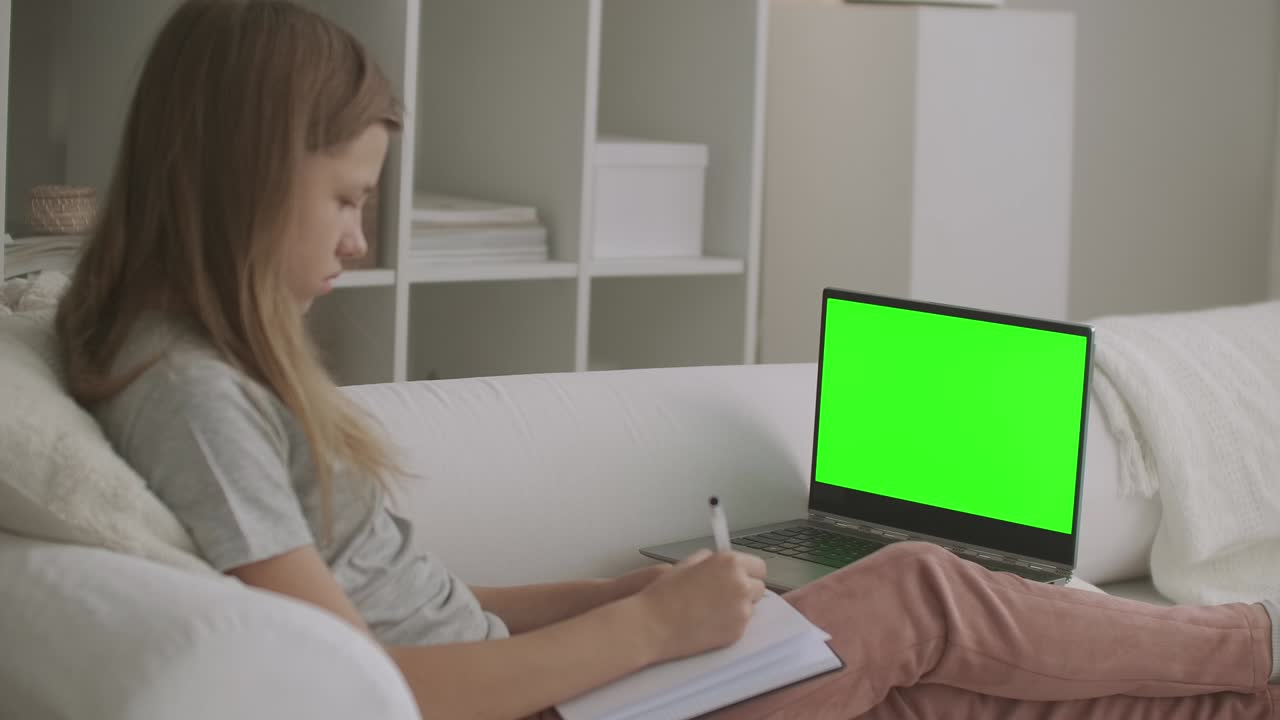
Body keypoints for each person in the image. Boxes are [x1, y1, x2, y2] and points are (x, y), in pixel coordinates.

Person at [56, 1, 1279, 718]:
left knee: (920, 689)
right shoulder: (189, 393)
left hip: (559, 685)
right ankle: (1256, 646)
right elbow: (367, 690)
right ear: (245, 168)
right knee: (918, 585)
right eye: (342, 199)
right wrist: (648, 637)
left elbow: (419, 613)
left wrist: (619, 600)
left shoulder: (200, 360)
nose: (359, 242)